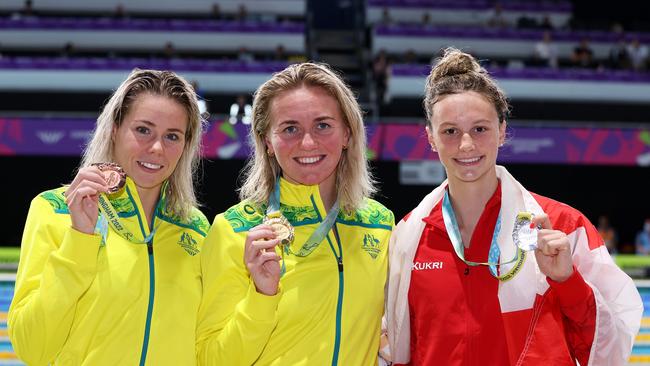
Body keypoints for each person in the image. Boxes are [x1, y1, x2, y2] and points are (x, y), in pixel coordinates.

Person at [383, 48, 642, 365]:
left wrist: (568, 282)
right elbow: (392, 349)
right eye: (450, 131)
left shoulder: (563, 226)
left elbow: (606, 349)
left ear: (502, 130)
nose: (466, 145)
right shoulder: (406, 239)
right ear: (431, 138)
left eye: (480, 129)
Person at [8, 69, 210, 365]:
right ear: (115, 128)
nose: (156, 148)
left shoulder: (195, 228)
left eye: (172, 136)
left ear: (185, 145)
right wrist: (79, 240)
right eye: (143, 129)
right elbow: (31, 348)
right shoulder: (55, 209)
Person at [197, 62, 394, 365]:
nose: (308, 142)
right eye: (290, 128)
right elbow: (212, 359)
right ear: (267, 141)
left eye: (323, 125)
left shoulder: (380, 224)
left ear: (347, 134)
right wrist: (261, 296)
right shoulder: (235, 230)